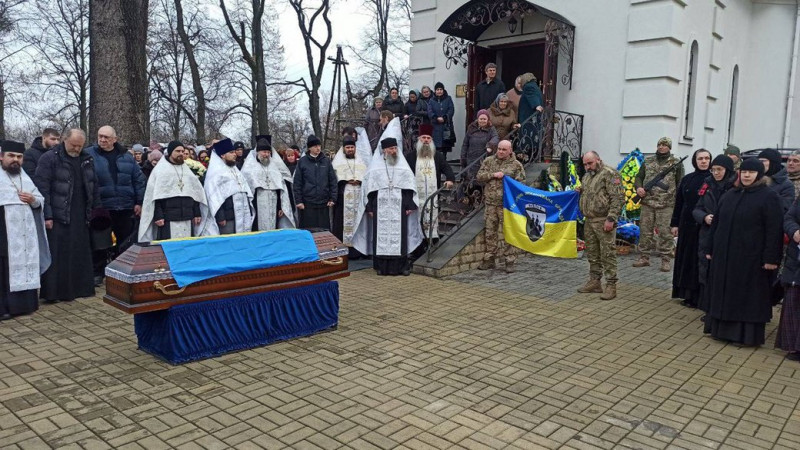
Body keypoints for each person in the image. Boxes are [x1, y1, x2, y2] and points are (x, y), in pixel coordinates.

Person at [704, 158, 783, 346]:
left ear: (759, 175)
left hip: (752, 259)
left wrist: (771, 258)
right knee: (724, 292)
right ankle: (721, 330)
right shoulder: (730, 194)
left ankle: (744, 336)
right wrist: (710, 247)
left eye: (751, 172)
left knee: (748, 296)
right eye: (744, 172)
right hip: (725, 256)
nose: (747, 175)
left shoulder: (769, 197)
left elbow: (774, 231)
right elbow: (716, 224)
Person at [34, 128, 99, 303]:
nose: (76, 149)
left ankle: (81, 288)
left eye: (80, 146)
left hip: (80, 211)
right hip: (57, 213)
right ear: (64, 140)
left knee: (79, 250)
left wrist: (95, 210)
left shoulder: (87, 159)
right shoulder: (49, 158)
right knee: (59, 254)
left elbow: (93, 185)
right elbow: (42, 188)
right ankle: (55, 293)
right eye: (73, 145)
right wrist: (47, 215)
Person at [352, 136, 423, 276]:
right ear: (384, 150)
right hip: (380, 207)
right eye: (391, 148)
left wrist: (409, 205)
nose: (394, 151)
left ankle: (401, 267)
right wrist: (370, 209)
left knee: (400, 237)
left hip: (399, 206)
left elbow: (409, 188)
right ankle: (381, 267)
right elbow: (369, 191)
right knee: (381, 236)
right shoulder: (375, 168)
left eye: (395, 148)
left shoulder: (403, 166)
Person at [86, 126, 146, 284]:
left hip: (125, 206)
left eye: (106, 137)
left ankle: (122, 272)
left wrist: (139, 202)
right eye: (100, 136)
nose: (102, 140)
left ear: (115, 139)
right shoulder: (89, 155)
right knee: (100, 242)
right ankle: (98, 272)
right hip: (102, 206)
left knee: (125, 242)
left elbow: (138, 180)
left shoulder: (127, 157)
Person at [0, 140, 50, 320]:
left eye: (19, 157)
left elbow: (39, 200)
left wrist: (33, 200)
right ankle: (4, 308)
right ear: (1, 157)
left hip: (25, 233)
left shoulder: (24, 176)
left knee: (24, 262)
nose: (15, 160)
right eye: (11, 156)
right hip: (4, 233)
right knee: (4, 268)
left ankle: (25, 305)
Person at [138, 140, 214, 241]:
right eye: (177, 151)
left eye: (182, 151)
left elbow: (195, 193)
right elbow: (154, 196)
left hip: (187, 218)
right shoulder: (160, 170)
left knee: (187, 249)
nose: (181, 154)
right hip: (168, 220)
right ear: (170, 152)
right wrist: (158, 215)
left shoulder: (187, 171)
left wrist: (196, 213)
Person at [576, 151, 624, 300]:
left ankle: (611, 285)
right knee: (592, 253)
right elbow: (592, 193)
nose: (587, 167)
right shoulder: (587, 176)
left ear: (598, 160)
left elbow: (618, 197)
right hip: (589, 220)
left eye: (590, 163)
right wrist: (580, 191)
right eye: (585, 164)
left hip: (603, 220)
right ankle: (595, 281)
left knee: (607, 253)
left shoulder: (610, 174)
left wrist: (611, 218)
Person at [633, 137, 684, 272]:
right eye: (659, 144)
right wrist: (638, 188)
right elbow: (639, 177)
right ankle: (644, 257)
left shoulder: (676, 163)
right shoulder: (648, 160)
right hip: (648, 202)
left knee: (665, 233)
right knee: (645, 231)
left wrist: (679, 202)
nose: (661, 147)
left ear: (669, 147)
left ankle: (666, 259)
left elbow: (680, 183)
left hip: (666, 204)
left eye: (664, 145)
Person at [693, 155, 736, 313]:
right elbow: (697, 208)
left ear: (728, 170)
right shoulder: (708, 184)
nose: (716, 173)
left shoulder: (735, 186)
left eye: (720, 170)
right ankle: (706, 306)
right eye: (714, 169)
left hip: (727, 234)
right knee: (705, 268)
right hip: (707, 232)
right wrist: (704, 217)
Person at [670, 149, 711, 308]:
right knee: (686, 259)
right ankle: (685, 293)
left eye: (707, 158)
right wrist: (675, 224)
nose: (704, 161)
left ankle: (698, 296)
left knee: (697, 261)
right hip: (686, 224)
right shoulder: (687, 179)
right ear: (695, 161)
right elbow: (679, 202)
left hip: (703, 226)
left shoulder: (712, 179)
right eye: (700, 158)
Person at [476, 140, 525, 273]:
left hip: (507, 206)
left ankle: (510, 261)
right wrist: (493, 175)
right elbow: (479, 176)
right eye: (499, 149)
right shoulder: (489, 161)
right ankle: (490, 259)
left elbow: (522, 185)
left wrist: (508, 179)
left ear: (510, 150)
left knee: (509, 233)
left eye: (504, 149)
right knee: (490, 233)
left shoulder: (516, 165)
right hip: (491, 204)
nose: (501, 152)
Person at [406, 124, 455, 241]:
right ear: (419, 139)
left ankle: (432, 241)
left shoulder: (437, 156)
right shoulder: (411, 156)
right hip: (415, 197)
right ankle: (417, 246)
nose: (426, 140)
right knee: (416, 220)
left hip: (433, 196)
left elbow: (447, 168)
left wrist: (450, 179)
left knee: (433, 218)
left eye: (428, 138)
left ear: (431, 140)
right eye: (424, 138)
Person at [241, 135, 294, 231]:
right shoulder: (249, 168)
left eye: (269, 152)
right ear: (258, 152)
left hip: (274, 203)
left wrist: (280, 207)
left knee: (274, 229)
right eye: (264, 152)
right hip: (257, 204)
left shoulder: (274, 167)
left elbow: (280, 189)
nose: (267, 154)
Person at [204, 138, 254, 235]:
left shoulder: (236, 170)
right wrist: (221, 217)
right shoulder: (215, 173)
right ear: (222, 155)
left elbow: (245, 191)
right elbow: (214, 198)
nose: (235, 154)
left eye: (234, 152)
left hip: (242, 215)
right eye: (231, 152)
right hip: (227, 218)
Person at [332, 135, 368, 258]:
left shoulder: (361, 161)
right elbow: (334, 180)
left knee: (358, 223)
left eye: (352, 147)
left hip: (358, 195)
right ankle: (343, 251)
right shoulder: (337, 162)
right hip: (344, 198)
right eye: (348, 147)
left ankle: (358, 251)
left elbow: (366, 177)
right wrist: (345, 181)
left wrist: (360, 181)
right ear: (343, 149)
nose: (350, 149)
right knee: (342, 224)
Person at [294, 134, 337, 230]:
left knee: (324, 231)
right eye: (315, 146)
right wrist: (299, 201)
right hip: (307, 204)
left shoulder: (326, 161)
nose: (318, 148)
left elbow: (332, 180)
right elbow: (297, 183)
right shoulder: (302, 162)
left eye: (319, 146)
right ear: (309, 148)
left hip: (323, 203)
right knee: (309, 231)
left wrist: (332, 198)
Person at [777, 191, 800, 361]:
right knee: (793, 301)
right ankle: (793, 346)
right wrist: (795, 231)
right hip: (796, 259)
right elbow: (788, 218)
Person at [461, 109, 499, 179]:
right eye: (481, 119)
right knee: (471, 181)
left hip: (484, 159)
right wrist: (463, 158)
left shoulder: (491, 129)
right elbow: (465, 144)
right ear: (477, 119)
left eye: (484, 119)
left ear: (488, 120)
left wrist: (490, 145)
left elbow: (495, 138)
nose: (482, 121)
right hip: (471, 159)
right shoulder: (471, 128)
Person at [516, 73, 544, 160]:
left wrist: (536, 105)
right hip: (533, 119)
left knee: (527, 138)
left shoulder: (528, 87)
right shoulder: (535, 86)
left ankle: (528, 157)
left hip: (528, 117)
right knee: (533, 139)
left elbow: (532, 96)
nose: (520, 85)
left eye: (521, 82)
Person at [427, 82, 456, 160]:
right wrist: (436, 118)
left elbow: (451, 109)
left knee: (445, 146)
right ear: (435, 91)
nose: (439, 91)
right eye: (437, 89)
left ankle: (444, 160)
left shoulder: (448, 98)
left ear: (443, 90)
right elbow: (429, 111)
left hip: (446, 126)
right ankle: (437, 161)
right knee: (436, 146)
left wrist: (445, 117)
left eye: (441, 89)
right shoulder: (431, 100)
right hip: (435, 126)